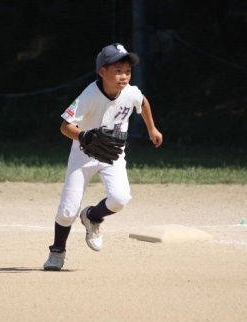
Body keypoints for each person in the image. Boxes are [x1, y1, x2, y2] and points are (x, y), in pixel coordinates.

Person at [43, 43, 163, 271]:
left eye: (127, 71)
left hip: (112, 154)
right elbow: (65, 126)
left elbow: (143, 101)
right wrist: (84, 135)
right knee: (68, 211)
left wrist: (152, 128)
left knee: (120, 199)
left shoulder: (130, 92)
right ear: (102, 72)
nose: (124, 76)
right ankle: (57, 251)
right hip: (83, 154)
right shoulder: (89, 95)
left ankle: (93, 216)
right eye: (118, 71)